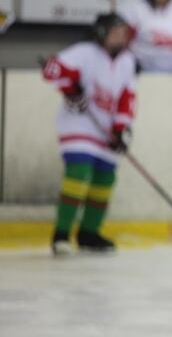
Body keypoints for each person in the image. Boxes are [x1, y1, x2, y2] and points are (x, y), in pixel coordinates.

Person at [42, 13, 136, 255]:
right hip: (79, 125)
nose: (121, 37)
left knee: (105, 179)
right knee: (79, 172)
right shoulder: (85, 52)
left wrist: (120, 129)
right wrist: (70, 87)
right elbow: (52, 69)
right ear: (102, 33)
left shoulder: (127, 61)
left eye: (124, 33)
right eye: (116, 32)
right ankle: (61, 234)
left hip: (106, 130)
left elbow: (127, 97)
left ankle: (88, 233)